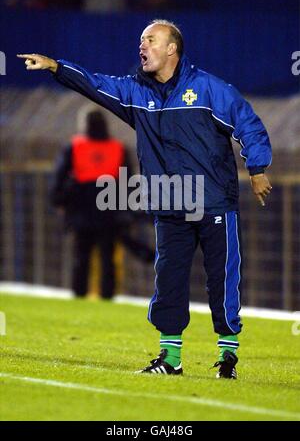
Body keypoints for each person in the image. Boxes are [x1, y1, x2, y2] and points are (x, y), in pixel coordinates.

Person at [17, 19, 272, 379]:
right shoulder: (137, 93)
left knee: (222, 278)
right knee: (168, 279)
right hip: (169, 204)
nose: (142, 46)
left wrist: (258, 167)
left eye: (150, 40)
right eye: (141, 40)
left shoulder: (209, 89)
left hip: (214, 202)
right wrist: (58, 68)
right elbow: (95, 84)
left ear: (172, 48)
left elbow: (248, 124)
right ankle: (171, 358)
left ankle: (227, 357)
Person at [51, 109, 126, 298]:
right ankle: (108, 295)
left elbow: (59, 176)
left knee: (81, 254)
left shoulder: (75, 146)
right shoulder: (117, 148)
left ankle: (79, 293)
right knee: (107, 256)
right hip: (109, 204)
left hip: (81, 205)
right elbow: (128, 180)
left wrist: (58, 201)